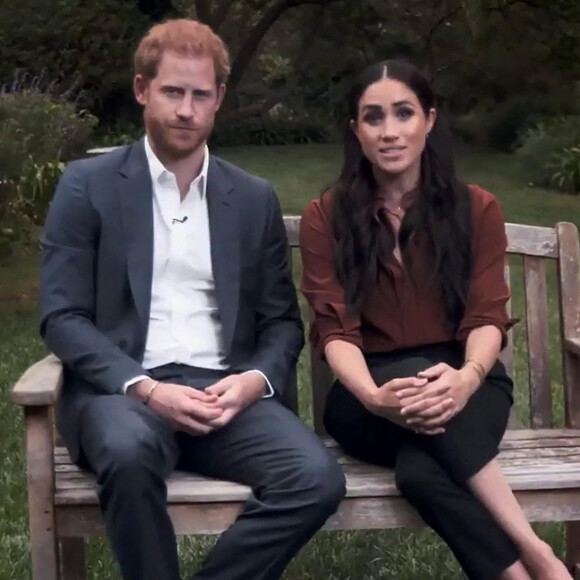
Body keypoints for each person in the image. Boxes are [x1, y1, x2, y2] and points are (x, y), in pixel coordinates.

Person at [40, 18, 345, 580]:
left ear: (219, 100)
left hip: (224, 393)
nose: (185, 109)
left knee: (316, 478)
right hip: (127, 393)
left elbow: (281, 323)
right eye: (172, 92)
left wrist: (253, 382)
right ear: (142, 90)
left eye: (199, 95)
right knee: (129, 453)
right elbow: (61, 317)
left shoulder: (252, 199)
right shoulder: (88, 185)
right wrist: (148, 389)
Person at [299, 59, 571, 580]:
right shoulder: (326, 216)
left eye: (403, 114)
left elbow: (487, 315)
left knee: (421, 473)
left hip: (469, 384)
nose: (390, 131)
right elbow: (335, 330)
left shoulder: (476, 209)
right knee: (414, 373)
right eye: (373, 118)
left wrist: (467, 379)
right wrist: (376, 398)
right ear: (356, 131)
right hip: (367, 398)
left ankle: (517, 573)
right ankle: (540, 554)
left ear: (429, 120)